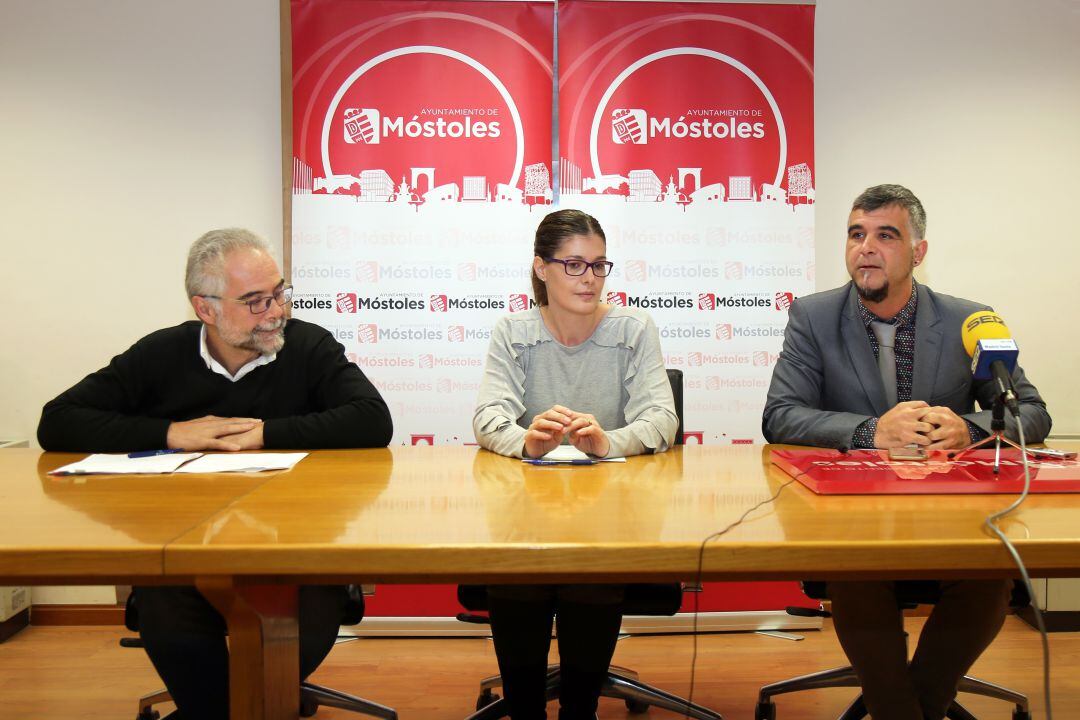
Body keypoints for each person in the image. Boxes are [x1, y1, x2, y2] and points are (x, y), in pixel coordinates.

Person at [37, 228, 393, 720]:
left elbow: (373, 419)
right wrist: (170, 433)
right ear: (205, 308)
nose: (275, 312)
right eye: (255, 301)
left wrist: (266, 434)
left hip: (295, 548)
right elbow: (57, 421)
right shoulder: (161, 355)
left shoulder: (308, 347)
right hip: (184, 550)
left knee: (299, 625)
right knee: (168, 614)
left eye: (279, 293)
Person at [762, 184, 1051, 720]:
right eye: (856, 234)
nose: (865, 248)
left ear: (918, 253)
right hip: (853, 518)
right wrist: (873, 431)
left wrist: (970, 427)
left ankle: (915, 703)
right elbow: (780, 416)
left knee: (991, 580)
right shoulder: (813, 317)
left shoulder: (972, 319)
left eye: (885, 236)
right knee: (858, 574)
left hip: (950, 518)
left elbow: (1031, 413)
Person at [473, 209, 678, 720]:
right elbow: (487, 417)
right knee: (519, 571)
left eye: (599, 265)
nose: (589, 279)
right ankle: (525, 708)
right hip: (526, 514)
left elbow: (662, 420)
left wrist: (608, 442)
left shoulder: (633, 328)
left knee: (592, 572)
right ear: (541, 268)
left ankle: (579, 709)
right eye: (574, 265)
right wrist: (527, 442)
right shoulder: (513, 331)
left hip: (608, 514)